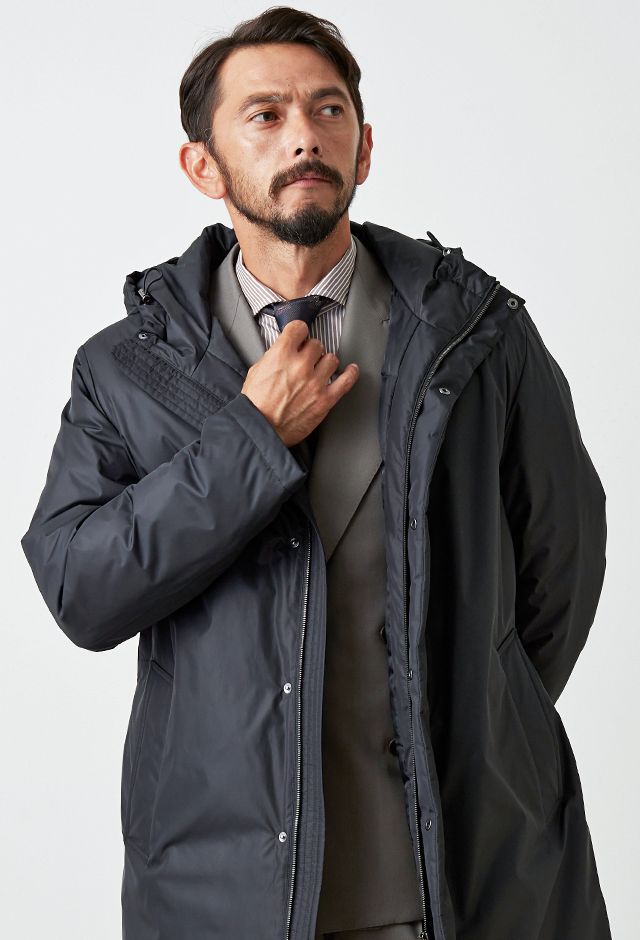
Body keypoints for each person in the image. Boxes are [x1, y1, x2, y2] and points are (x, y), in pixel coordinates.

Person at [20, 6, 612, 940]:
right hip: (224, 899)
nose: (304, 136)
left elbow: (559, 567)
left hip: (460, 884)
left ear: (364, 147)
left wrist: (470, 724)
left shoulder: (476, 337)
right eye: (265, 115)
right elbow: (81, 589)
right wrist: (251, 435)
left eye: (329, 110)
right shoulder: (127, 370)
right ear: (203, 166)